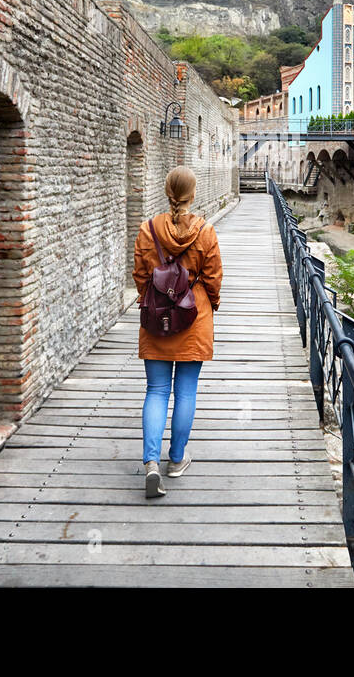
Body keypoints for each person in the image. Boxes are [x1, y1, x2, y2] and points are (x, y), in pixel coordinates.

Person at [131, 166, 223, 498]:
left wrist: (154, 297)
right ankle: (177, 459)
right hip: (192, 319)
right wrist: (209, 303)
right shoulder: (206, 232)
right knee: (186, 392)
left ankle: (151, 463)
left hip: (156, 322)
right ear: (192, 195)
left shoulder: (146, 230)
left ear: (167, 191)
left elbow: (141, 276)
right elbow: (213, 280)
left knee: (156, 390)